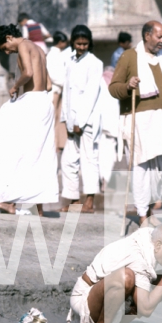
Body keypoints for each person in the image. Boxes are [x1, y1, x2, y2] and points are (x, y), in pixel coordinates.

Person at [0, 24, 58, 216]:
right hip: (45, 102)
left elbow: (28, 72)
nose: (7, 52)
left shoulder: (24, 46)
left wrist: (15, 85)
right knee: (39, 154)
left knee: (18, 151)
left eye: (5, 48)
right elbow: (49, 84)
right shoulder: (40, 50)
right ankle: (38, 208)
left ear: (9, 38)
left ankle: (8, 200)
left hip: (33, 103)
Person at [109, 20, 162, 226]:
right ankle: (143, 214)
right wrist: (128, 86)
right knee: (140, 168)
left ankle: (150, 202)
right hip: (139, 120)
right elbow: (113, 88)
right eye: (159, 36)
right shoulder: (130, 56)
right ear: (147, 35)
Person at [59, 25, 103, 214]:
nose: (82, 47)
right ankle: (75, 200)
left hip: (87, 121)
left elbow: (90, 94)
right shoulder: (69, 61)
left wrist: (80, 121)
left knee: (88, 160)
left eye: (85, 44)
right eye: (78, 43)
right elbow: (67, 92)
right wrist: (66, 119)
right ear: (73, 43)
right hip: (71, 122)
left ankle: (90, 201)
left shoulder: (95, 63)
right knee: (68, 161)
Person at [46, 31, 70, 152]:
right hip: (54, 90)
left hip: (60, 90)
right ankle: (53, 144)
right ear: (60, 42)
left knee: (59, 117)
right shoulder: (52, 55)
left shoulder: (60, 54)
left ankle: (58, 143)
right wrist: (65, 82)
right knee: (53, 118)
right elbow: (53, 74)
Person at [99, 66, 120, 191]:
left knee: (101, 153)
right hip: (111, 125)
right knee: (109, 154)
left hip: (101, 124)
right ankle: (105, 180)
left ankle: (102, 180)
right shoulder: (116, 84)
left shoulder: (100, 81)